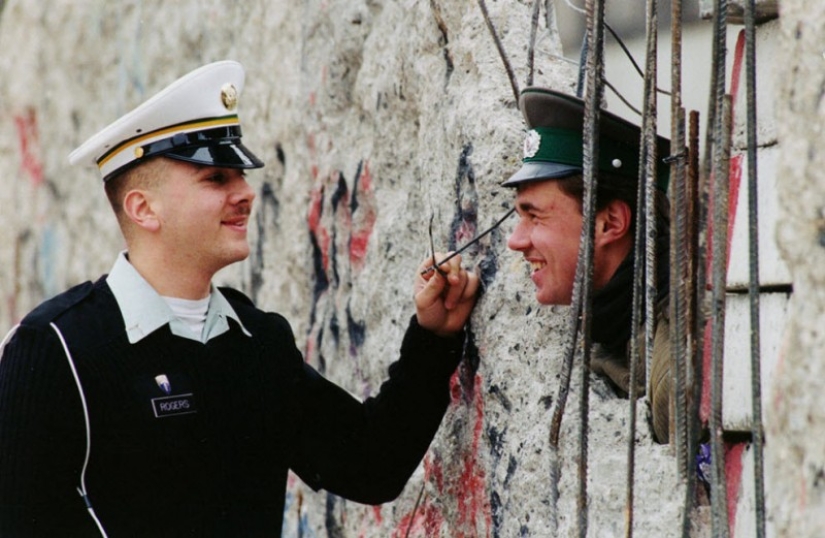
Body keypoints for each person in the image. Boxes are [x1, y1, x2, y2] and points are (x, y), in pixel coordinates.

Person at [0, 61, 479, 537]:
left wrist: (433, 339)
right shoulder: (55, 347)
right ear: (144, 208)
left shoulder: (256, 341)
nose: (245, 193)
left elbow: (371, 464)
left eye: (240, 176)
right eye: (216, 179)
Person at [502, 87, 672, 444]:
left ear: (610, 223)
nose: (515, 240)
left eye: (535, 217)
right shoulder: (616, 329)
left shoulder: (676, 346)